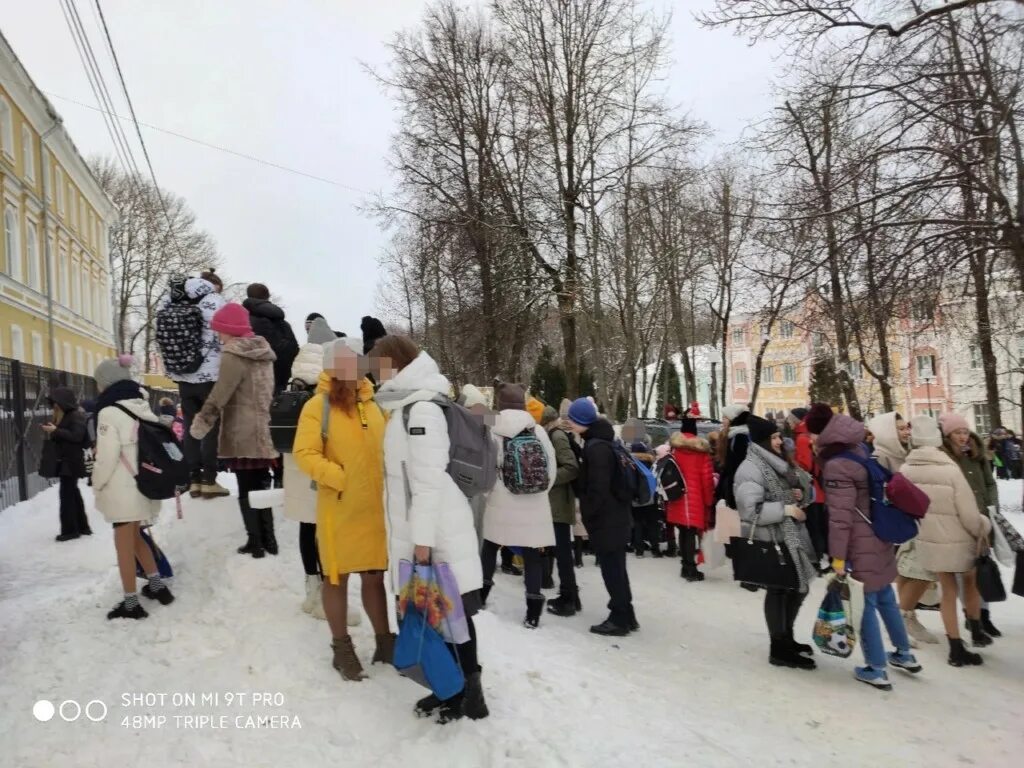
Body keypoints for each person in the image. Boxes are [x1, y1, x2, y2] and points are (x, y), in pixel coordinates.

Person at [371, 335, 488, 722]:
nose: (374, 373)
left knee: (451, 615)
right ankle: (450, 688)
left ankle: (469, 693)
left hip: (435, 532)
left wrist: (421, 543)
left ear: (395, 364)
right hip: (421, 529)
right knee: (434, 614)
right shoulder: (404, 406)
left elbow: (427, 483)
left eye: (379, 365)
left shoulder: (420, 410)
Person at [293, 338, 391, 681]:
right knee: (337, 577)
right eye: (344, 364)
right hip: (340, 506)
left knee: (374, 576)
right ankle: (342, 647)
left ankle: (385, 641)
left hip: (374, 509)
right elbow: (304, 453)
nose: (352, 370)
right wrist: (338, 477)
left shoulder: (374, 402)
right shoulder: (317, 406)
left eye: (356, 363)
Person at [807, 406, 920, 689]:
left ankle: (876, 667)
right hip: (878, 533)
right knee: (884, 596)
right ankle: (904, 653)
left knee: (864, 604)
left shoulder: (836, 464)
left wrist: (837, 557)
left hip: (858, 542)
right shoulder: (857, 448)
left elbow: (841, 518)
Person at [283, 317, 359, 625]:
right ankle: (329, 598)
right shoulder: (326, 372)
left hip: (295, 457)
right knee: (326, 530)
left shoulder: (295, 370)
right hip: (321, 458)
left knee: (307, 526)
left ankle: (311, 590)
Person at [900, 416, 992, 667]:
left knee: (948, 592)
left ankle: (955, 647)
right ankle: (975, 629)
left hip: (929, 540)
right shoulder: (949, 468)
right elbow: (969, 514)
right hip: (960, 539)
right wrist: (983, 526)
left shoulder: (906, 469)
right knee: (970, 583)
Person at [190, 303, 279, 559]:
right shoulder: (262, 352)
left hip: (242, 430)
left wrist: (202, 422)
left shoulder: (234, 354)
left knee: (246, 489)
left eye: (220, 331)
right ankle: (269, 540)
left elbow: (221, 393)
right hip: (263, 428)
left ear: (229, 330)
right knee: (262, 487)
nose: (218, 336)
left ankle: (255, 543)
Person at [91, 355, 174, 619]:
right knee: (137, 538)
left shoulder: (109, 412)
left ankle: (130, 603)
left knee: (124, 546)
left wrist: (96, 483)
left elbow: (106, 457)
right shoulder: (141, 405)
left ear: (106, 383)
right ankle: (158, 587)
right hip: (145, 485)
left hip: (122, 491)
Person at [733, 416, 818, 671]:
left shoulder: (777, 464)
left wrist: (798, 495)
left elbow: (793, 489)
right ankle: (778, 646)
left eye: (779, 436)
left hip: (789, 536)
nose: (780, 441)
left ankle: (786, 637)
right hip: (772, 540)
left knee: (798, 587)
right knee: (780, 589)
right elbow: (749, 510)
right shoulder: (751, 468)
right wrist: (786, 509)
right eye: (774, 437)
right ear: (763, 441)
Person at [479, 383, 557, 628]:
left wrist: (489, 495)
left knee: (490, 547)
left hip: (500, 502)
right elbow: (550, 469)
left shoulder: (492, 430)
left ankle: (481, 598)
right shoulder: (539, 431)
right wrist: (538, 491)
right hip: (534, 504)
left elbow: (486, 470)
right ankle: (533, 612)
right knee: (532, 554)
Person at [866, 412, 940, 647]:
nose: (906, 432)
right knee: (912, 571)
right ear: (887, 432)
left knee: (909, 571)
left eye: (906, 427)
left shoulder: (905, 454)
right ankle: (901, 621)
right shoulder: (880, 457)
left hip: (911, 521)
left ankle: (907, 617)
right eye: (900, 428)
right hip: (894, 525)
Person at [565, 397, 637, 636]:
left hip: (608, 519)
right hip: (616, 516)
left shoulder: (597, 449)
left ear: (583, 421)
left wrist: (588, 512)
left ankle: (619, 618)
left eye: (573, 420)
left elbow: (598, 488)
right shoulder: (602, 441)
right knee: (617, 567)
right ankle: (627, 614)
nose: (570, 424)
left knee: (612, 570)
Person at [157, 274, 229, 499]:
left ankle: (194, 478)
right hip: (210, 375)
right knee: (208, 425)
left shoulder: (171, 299)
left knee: (190, 425)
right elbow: (225, 335)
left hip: (183, 374)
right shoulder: (215, 300)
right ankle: (209, 480)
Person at [940, 413, 1001, 640]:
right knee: (964, 573)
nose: (963, 437)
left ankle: (983, 615)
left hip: (982, 518)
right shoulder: (945, 457)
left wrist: (993, 506)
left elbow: (989, 482)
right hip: (959, 521)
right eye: (957, 432)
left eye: (965, 431)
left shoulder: (977, 454)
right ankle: (971, 616)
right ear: (948, 435)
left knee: (982, 568)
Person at [541, 405, 582, 616]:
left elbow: (571, 467)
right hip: (556, 503)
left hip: (559, 503)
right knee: (561, 551)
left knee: (563, 552)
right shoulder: (554, 435)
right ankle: (571, 596)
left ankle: (569, 598)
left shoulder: (556, 436)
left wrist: (547, 478)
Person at [666, 421, 715, 580]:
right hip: (695, 498)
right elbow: (707, 479)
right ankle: (691, 569)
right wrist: (709, 500)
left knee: (683, 531)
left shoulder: (675, 450)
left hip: (677, 497)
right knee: (691, 533)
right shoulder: (702, 453)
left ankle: (685, 566)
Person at [41, 386, 91, 541]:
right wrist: (54, 430)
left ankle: (70, 531)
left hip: (72, 461)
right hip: (68, 460)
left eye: (56, 402)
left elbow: (76, 436)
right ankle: (82, 527)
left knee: (67, 495)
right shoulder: (69, 415)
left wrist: (55, 431)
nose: (54, 406)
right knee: (72, 493)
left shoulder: (75, 415)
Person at [243, 283, 299, 394]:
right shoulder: (283, 323)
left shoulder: (243, 321)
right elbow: (294, 348)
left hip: (250, 380)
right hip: (279, 378)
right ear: (267, 297)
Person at [792, 407, 829, 568]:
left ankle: (816, 559)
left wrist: (792, 464)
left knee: (813, 525)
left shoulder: (801, 438)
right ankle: (828, 558)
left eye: (790, 418)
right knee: (821, 524)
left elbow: (805, 465)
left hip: (811, 488)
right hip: (821, 487)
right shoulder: (815, 435)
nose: (787, 420)